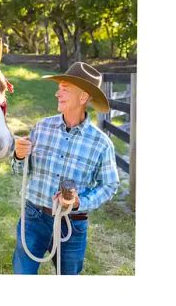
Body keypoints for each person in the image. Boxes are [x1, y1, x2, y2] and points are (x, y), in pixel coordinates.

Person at [11, 61, 120, 275]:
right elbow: (18, 171)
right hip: (34, 217)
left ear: (83, 98)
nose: (57, 94)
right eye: (59, 88)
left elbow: (110, 185)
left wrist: (80, 201)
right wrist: (19, 156)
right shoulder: (41, 128)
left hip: (73, 224)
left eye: (64, 89)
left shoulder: (101, 143)